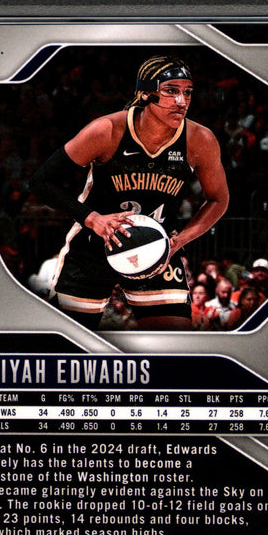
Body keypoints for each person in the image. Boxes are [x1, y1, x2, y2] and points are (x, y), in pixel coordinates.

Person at [31, 55, 229, 330]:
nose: (181, 101)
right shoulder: (107, 130)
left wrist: (179, 241)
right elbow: (41, 182)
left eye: (187, 92)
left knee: (173, 346)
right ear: (146, 94)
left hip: (157, 249)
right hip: (93, 246)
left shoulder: (199, 139)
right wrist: (93, 219)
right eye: (171, 90)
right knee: (71, 343)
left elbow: (219, 199)